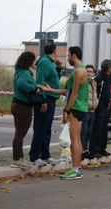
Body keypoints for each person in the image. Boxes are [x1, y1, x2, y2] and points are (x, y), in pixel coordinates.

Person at [41, 46, 89, 180]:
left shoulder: (78, 72)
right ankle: (77, 167)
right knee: (77, 139)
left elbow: (73, 94)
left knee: (74, 139)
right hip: (79, 107)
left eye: (68, 56)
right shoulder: (80, 70)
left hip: (76, 107)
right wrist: (50, 90)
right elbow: (67, 91)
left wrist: (66, 110)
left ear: (74, 55)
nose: (67, 59)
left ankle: (75, 169)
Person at [29, 41, 62, 167]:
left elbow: (54, 79)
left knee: (46, 129)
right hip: (46, 98)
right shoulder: (44, 62)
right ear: (55, 51)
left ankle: (45, 154)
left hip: (51, 99)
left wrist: (58, 68)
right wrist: (42, 99)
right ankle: (34, 155)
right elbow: (40, 81)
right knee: (41, 128)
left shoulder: (50, 63)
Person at [10, 52, 44, 169]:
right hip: (23, 105)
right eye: (34, 61)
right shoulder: (25, 73)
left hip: (16, 104)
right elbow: (21, 84)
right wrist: (34, 88)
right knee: (20, 133)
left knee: (18, 132)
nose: (35, 63)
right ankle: (16, 159)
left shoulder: (19, 72)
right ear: (29, 61)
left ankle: (20, 157)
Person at [89, 59, 111, 158]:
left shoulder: (108, 78)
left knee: (104, 129)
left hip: (105, 107)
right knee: (97, 129)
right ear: (108, 68)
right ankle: (94, 149)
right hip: (99, 107)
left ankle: (102, 148)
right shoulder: (100, 78)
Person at [81, 64, 98, 160]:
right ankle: (81, 151)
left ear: (93, 73)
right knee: (83, 131)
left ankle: (85, 150)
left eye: (91, 72)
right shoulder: (83, 82)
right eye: (87, 71)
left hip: (92, 110)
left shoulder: (94, 83)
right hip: (85, 110)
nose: (89, 73)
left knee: (88, 131)